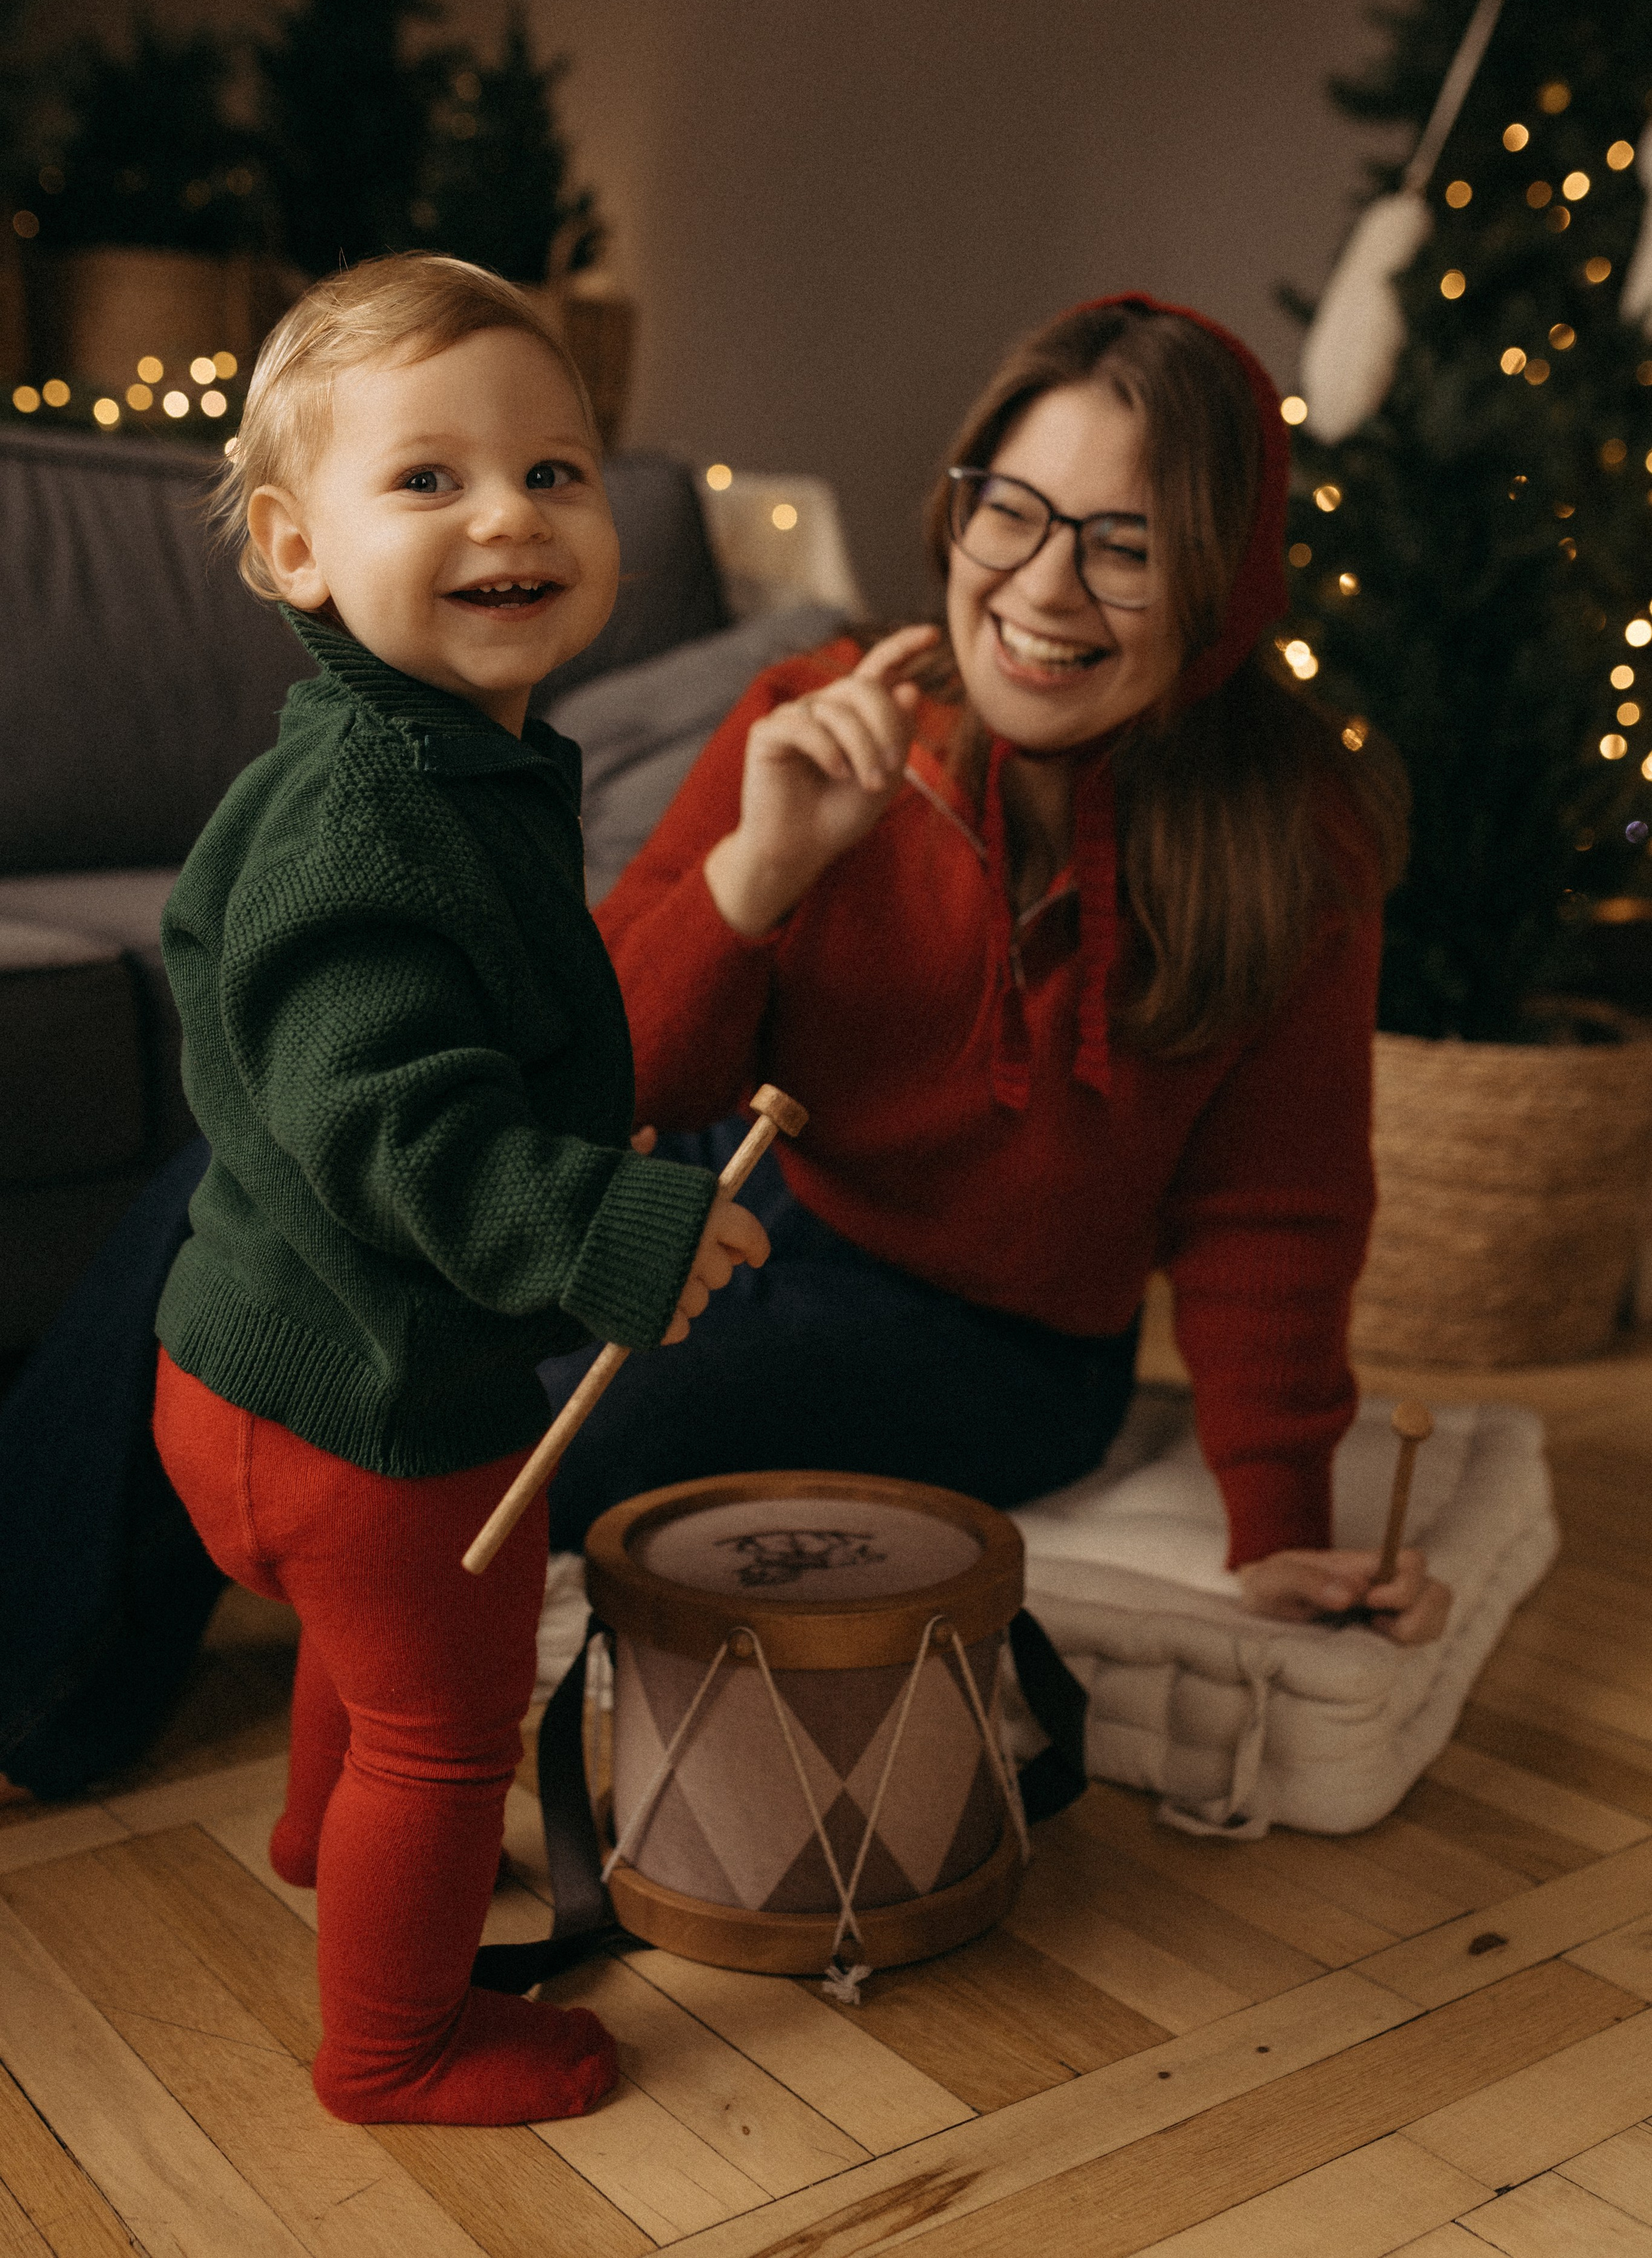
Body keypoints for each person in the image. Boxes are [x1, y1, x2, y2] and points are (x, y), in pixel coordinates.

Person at [544, 294, 1451, 1648]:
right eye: (1008, 510)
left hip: (992, 1345)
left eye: (1124, 548)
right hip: (742, 1197)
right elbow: (596, 1081)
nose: (1039, 586)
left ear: (1218, 588)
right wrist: (761, 867)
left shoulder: (1292, 838)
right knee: (262, 1190)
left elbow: (1277, 1203)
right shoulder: (816, 713)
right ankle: (99, 1691)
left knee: (574, 1421)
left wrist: (1278, 1523)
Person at [144, 254, 769, 2126]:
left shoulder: (426, 759)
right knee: (445, 1719)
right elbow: (396, 1130)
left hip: (253, 1375)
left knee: (365, 1672)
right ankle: (393, 2042)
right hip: (373, 1421)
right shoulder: (372, 818)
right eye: (427, 479)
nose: (508, 513)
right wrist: (607, 1229)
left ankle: (324, 1850)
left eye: (555, 472)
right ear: (290, 549)